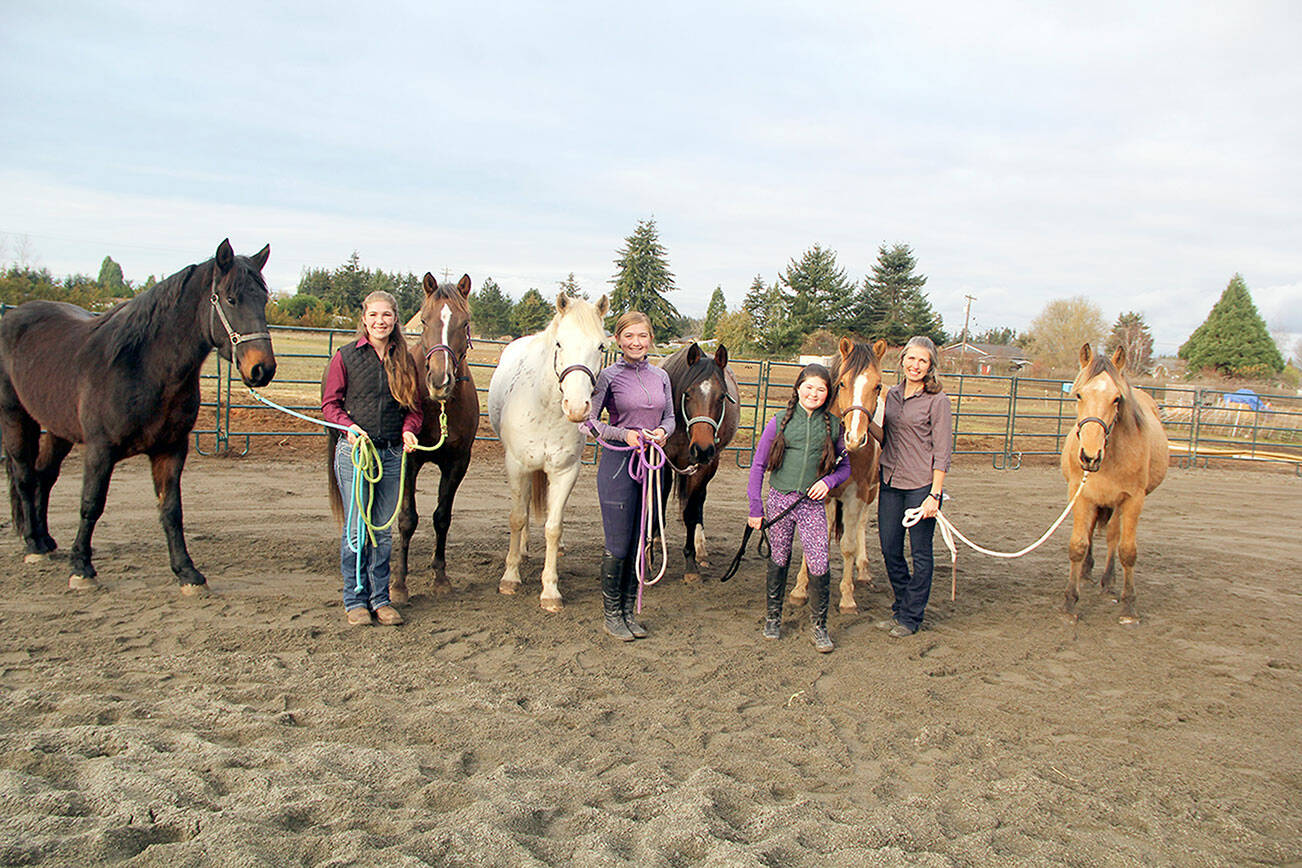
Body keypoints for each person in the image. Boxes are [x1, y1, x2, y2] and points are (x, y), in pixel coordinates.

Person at [322, 291, 423, 627]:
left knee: (381, 532)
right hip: (355, 454)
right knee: (356, 530)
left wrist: (410, 430)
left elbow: (414, 409)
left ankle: (380, 598)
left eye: (387, 316)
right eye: (374, 315)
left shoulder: (404, 360)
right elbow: (330, 406)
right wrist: (348, 427)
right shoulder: (346, 357)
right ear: (364, 319)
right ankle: (355, 599)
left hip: (392, 454)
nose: (380, 321)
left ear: (395, 320)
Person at [746, 364, 851, 652]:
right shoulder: (779, 421)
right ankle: (773, 617)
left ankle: (819, 626)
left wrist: (828, 482)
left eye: (821, 389)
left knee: (819, 562)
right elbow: (757, 466)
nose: (813, 393)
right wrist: (756, 507)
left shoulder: (833, 426)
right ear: (798, 388)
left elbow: (846, 467)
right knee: (779, 558)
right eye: (809, 387)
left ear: (827, 393)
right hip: (780, 500)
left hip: (812, 505)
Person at [586, 311, 675, 641]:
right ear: (618, 340)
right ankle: (611, 615)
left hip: (653, 464)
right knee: (619, 544)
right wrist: (625, 435)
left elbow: (671, 417)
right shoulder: (608, 377)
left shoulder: (660, 376)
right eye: (629, 336)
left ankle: (626, 610)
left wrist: (663, 432)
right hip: (620, 465)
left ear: (650, 338)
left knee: (640, 542)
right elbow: (590, 422)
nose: (636, 342)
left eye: (642, 336)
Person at [870, 336, 953, 638]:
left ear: (931, 367)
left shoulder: (938, 400)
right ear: (902, 360)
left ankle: (910, 617)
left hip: (921, 486)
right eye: (911, 359)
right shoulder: (892, 395)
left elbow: (943, 451)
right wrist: (866, 421)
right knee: (890, 549)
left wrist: (935, 494)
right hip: (891, 480)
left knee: (920, 554)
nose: (915, 365)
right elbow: (887, 438)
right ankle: (902, 606)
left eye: (923, 361)